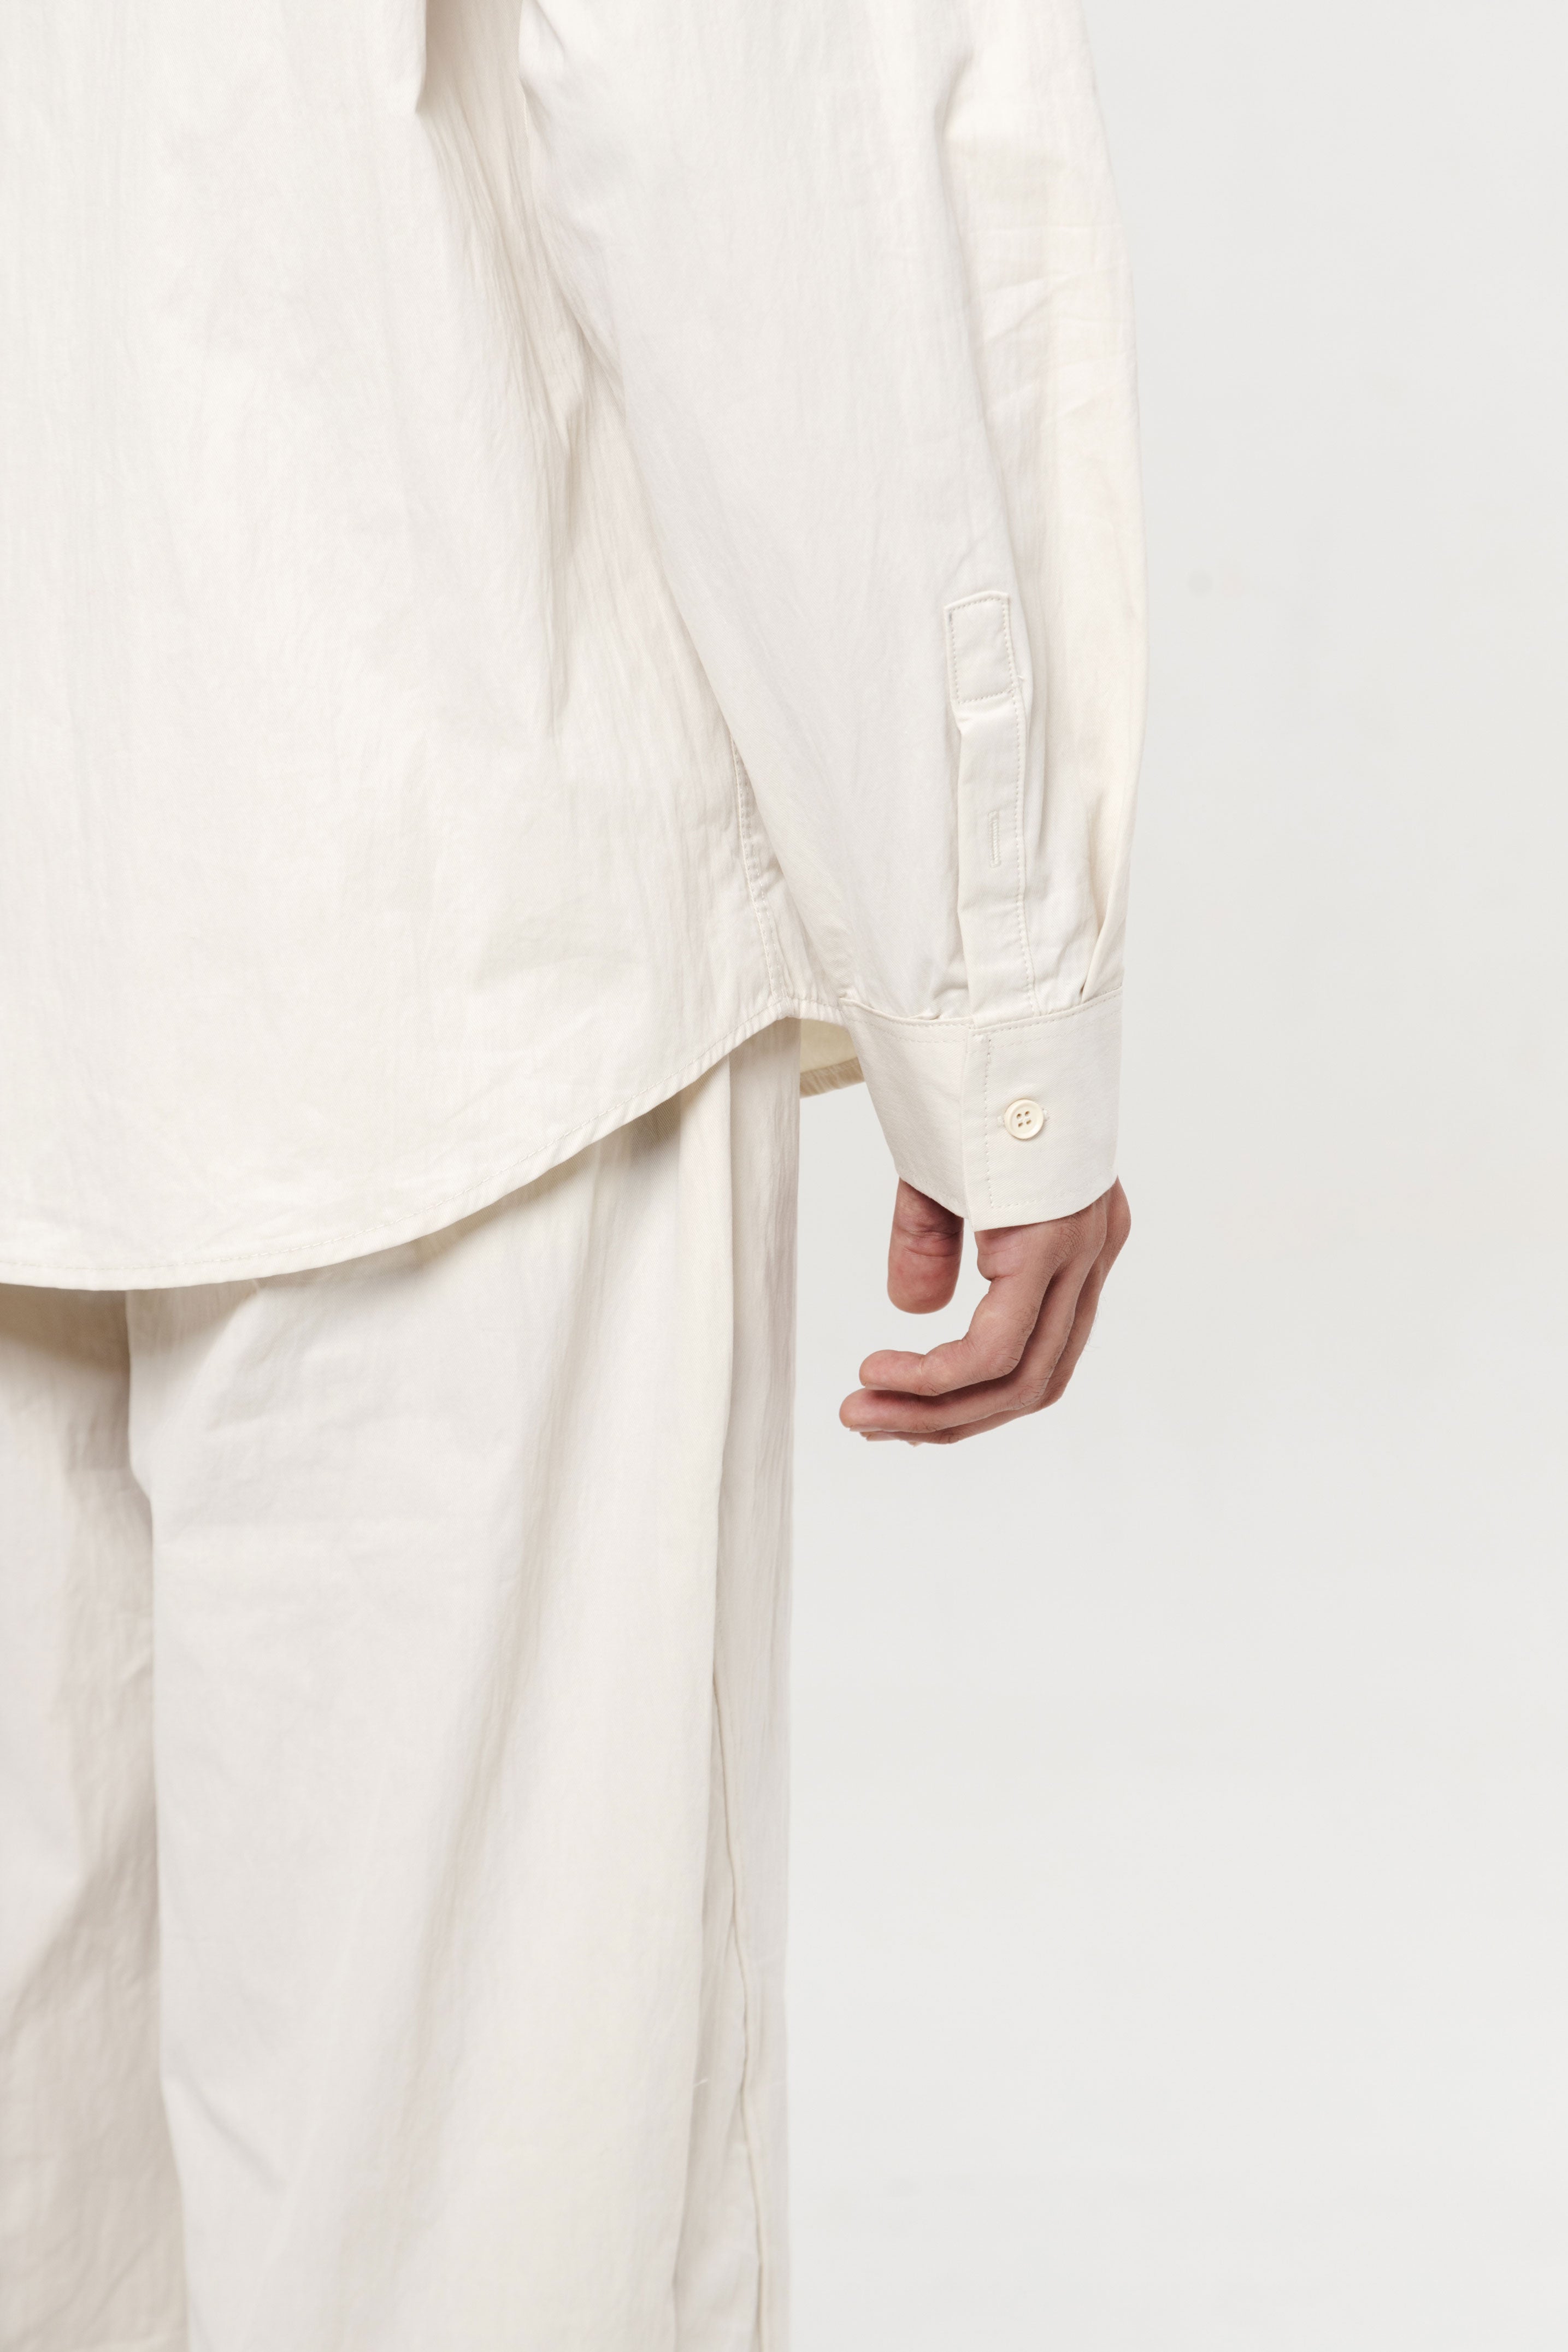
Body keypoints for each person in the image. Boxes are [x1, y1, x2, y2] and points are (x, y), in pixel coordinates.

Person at [0, 0, 1143, 2343]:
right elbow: (754, 145)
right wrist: (988, 990)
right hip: (448, 906)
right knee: (478, 2226)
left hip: (187, 907)